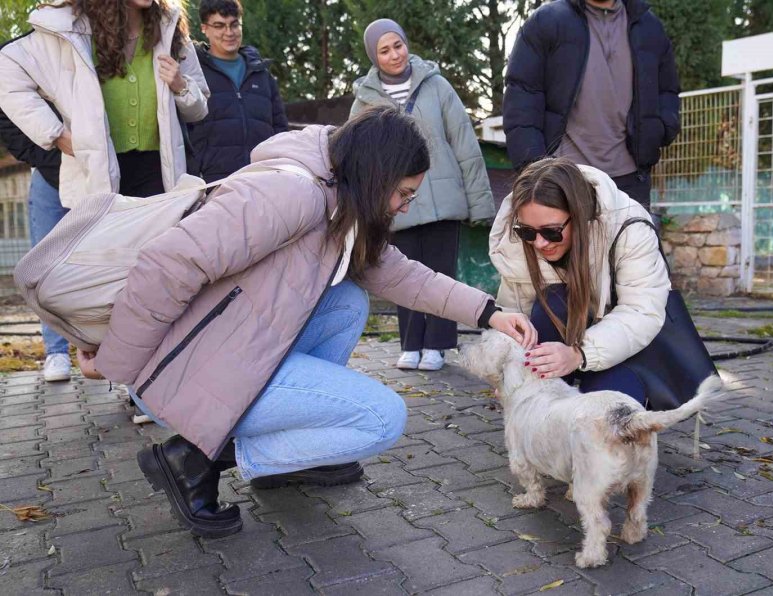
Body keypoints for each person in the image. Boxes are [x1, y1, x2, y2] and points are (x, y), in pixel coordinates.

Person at [76, 107, 537, 538]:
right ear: (376, 176)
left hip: (229, 352)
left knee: (346, 302)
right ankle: (195, 459)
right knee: (382, 419)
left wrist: (490, 312)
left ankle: (288, 460)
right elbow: (168, 264)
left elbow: (400, 274)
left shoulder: (338, 197)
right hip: (178, 378)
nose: (405, 206)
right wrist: (117, 362)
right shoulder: (289, 194)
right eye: (403, 193)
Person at [350, 19, 495, 372]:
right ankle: (411, 344)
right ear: (373, 56)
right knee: (403, 274)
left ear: (406, 44)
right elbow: (355, 151)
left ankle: (438, 346)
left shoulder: (438, 86)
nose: (394, 55)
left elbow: (464, 142)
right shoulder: (365, 98)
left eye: (398, 45)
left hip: (444, 200)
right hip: (397, 204)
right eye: (384, 50)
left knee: (442, 274)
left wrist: (480, 203)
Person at [489, 157, 670, 406]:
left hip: (622, 342)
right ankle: (548, 401)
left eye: (551, 231)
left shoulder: (629, 226)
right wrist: (509, 372)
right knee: (552, 303)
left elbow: (641, 311)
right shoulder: (518, 236)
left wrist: (579, 354)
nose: (539, 243)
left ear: (580, 215)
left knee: (609, 412)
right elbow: (513, 312)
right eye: (527, 232)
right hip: (562, 332)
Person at [0, 0, 209, 204]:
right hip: (96, 175)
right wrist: (55, 134)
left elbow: (199, 111)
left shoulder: (169, 27)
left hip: (161, 175)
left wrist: (181, 86)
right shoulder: (72, 27)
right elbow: (7, 71)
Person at [503, 0, 680, 210]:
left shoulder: (649, 26)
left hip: (631, 178)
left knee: (632, 234)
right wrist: (535, 168)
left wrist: (660, 131)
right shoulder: (547, 21)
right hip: (564, 177)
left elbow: (667, 90)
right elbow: (522, 96)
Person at [0, 98, 71, 382]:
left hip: (98, 167)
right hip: (49, 174)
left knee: (104, 260)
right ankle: (56, 351)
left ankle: (107, 351)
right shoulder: (18, 70)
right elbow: (8, 114)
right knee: (44, 266)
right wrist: (45, 159)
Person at [188, 0, 289, 183]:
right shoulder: (195, 74)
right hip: (214, 183)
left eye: (234, 25)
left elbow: (280, 129)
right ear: (204, 28)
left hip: (262, 180)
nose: (229, 32)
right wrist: (198, 172)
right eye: (219, 26)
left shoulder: (262, 74)